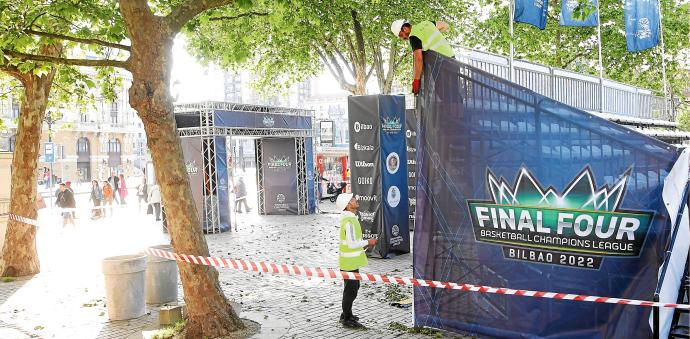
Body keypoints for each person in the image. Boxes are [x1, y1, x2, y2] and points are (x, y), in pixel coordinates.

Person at [335, 193, 376, 329]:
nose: (355, 200)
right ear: (348, 206)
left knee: (353, 288)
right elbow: (352, 244)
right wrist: (368, 242)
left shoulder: (351, 218)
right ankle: (346, 318)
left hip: (350, 262)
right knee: (351, 290)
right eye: (352, 200)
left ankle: (347, 313)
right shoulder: (349, 222)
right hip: (349, 263)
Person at [390, 19, 454, 94]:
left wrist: (416, 80)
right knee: (454, 92)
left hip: (441, 63)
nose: (403, 38)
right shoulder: (426, 23)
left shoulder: (413, 36)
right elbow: (445, 25)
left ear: (405, 29)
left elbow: (418, 59)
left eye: (401, 35)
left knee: (444, 93)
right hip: (452, 59)